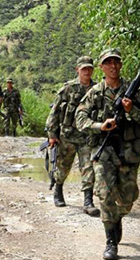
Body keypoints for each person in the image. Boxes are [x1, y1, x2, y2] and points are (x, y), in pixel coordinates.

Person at [75, 48, 140, 260]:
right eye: (107, 62)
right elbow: (80, 119)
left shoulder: (132, 91)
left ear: (120, 65)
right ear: (101, 67)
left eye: (116, 62)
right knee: (105, 195)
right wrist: (101, 125)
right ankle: (111, 241)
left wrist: (132, 111)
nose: (112, 66)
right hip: (103, 152)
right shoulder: (95, 93)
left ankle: (116, 218)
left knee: (128, 199)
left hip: (128, 152)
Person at [45, 56, 100, 216]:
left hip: (87, 137)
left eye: (89, 68)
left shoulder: (97, 89)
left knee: (88, 168)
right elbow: (54, 112)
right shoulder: (68, 89)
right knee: (63, 166)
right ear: (78, 70)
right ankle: (58, 190)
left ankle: (88, 201)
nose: (87, 72)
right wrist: (52, 135)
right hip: (67, 135)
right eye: (84, 69)